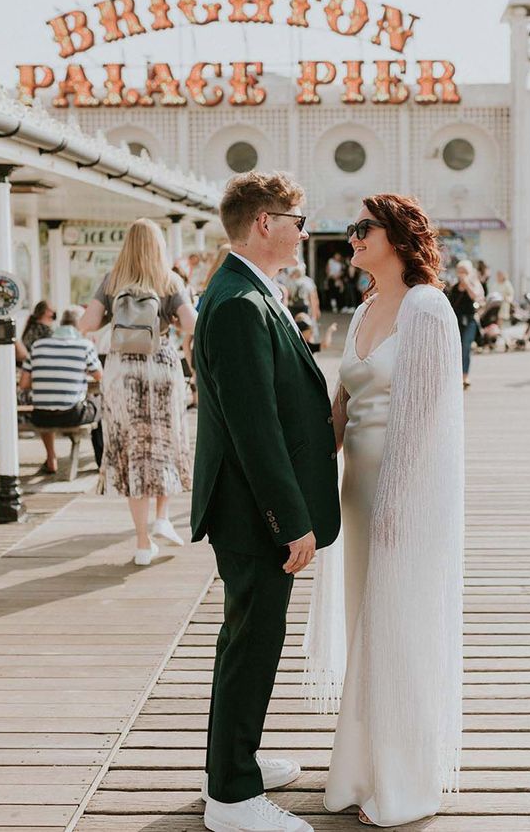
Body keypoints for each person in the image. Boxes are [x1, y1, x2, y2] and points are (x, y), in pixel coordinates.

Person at [304, 193, 464, 827]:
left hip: (408, 496)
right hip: (357, 493)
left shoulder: (427, 307)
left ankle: (406, 783)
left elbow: (426, 418)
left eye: (361, 228)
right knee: (364, 627)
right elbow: (341, 407)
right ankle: (364, 767)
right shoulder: (366, 306)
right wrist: (309, 481)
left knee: (398, 630)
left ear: (396, 236)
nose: (351, 237)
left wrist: (398, 505)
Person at [191, 171, 341, 832]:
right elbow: (254, 429)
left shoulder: (249, 289)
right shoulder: (235, 302)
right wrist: (292, 520)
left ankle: (233, 759)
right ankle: (232, 796)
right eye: (299, 219)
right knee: (252, 641)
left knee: (246, 637)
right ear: (265, 223)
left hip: (249, 505)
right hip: (251, 510)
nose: (305, 231)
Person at [80, 218, 198, 566]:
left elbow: (86, 324)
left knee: (133, 450)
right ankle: (163, 518)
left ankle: (143, 543)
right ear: (158, 247)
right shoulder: (169, 280)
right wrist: (172, 318)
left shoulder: (113, 281)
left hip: (121, 371)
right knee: (162, 444)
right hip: (160, 365)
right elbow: (192, 323)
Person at [19, 309, 103, 473]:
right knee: (98, 404)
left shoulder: (38, 345)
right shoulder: (84, 345)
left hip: (40, 416)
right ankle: (101, 460)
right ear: (79, 325)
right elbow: (100, 376)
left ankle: (51, 458)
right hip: (72, 415)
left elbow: (23, 384)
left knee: (48, 403)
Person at [448, 259, 485, 388]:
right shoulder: (453, 287)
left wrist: (467, 284)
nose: (462, 274)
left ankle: (465, 376)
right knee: (455, 348)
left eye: (464, 271)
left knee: (466, 347)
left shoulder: (474, 284)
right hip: (456, 321)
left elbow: (475, 296)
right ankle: (455, 376)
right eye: (460, 271)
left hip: (469, 320)